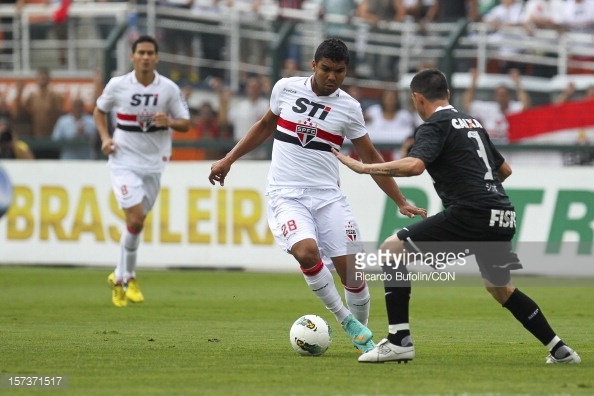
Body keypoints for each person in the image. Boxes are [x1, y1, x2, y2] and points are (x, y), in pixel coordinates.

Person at [332, 68, 581, 365]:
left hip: (471, 213)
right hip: (502, 214)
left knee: (390, 250)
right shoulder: (473, 123)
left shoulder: (434, 125)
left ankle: (399, 340)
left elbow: (414, 166)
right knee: (500, 288)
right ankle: (561, 350)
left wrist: (363, 168)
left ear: (417, 98)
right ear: (448, 94)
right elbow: (505, 171)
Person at [208, 38, 426, 354]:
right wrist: (228, 158)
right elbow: (264, 125)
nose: (332, 77)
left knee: (353, 275)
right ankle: (347, 322)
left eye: (339, 71)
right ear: (313, 65)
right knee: (306, 252)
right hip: (286, 194)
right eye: (326, 69)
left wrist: (400, 200)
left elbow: (371, 158)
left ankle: (362, 342)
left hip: (328, 197)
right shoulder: (285, 88)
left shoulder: (350, 108)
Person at [94, 35, 190, 307]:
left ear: (157, 57)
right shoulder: (118, 85)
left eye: (150, 53)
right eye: (141, 52)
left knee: (135, 225)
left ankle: (121, 276)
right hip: (123, 161)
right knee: (135, 220)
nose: (146, 57)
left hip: (154, 164)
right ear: (133, 56)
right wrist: (104, 138)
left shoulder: (169, 89)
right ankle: (128, 277)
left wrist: (169, 121)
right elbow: (99, 111)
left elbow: (185, 123)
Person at [462, 67, 531, 144]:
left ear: (509, 96)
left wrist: (517, 83)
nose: (502, 97)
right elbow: (467, 104)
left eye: (504, 94)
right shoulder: (488, 108)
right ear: (495, 96)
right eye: (499, 95)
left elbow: (526, 106)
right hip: (491, 149)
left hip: (510, 150)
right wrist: (473, 81)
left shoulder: (514, 107)